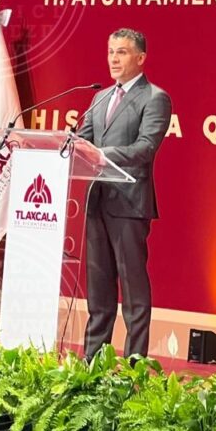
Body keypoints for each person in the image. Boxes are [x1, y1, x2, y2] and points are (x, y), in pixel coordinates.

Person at [77, 28, 172, 360]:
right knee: (98, 293)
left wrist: (101, 155)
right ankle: (92, 366)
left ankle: (134, 367)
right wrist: (69, 146)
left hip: (129, 205)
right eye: (110, 52)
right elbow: (83, 141)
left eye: (122, 52)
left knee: (133, 293)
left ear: (140, 58)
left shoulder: (154, 98)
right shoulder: (100, 97)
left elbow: (145, 148)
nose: (114, 59)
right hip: (97, 202)